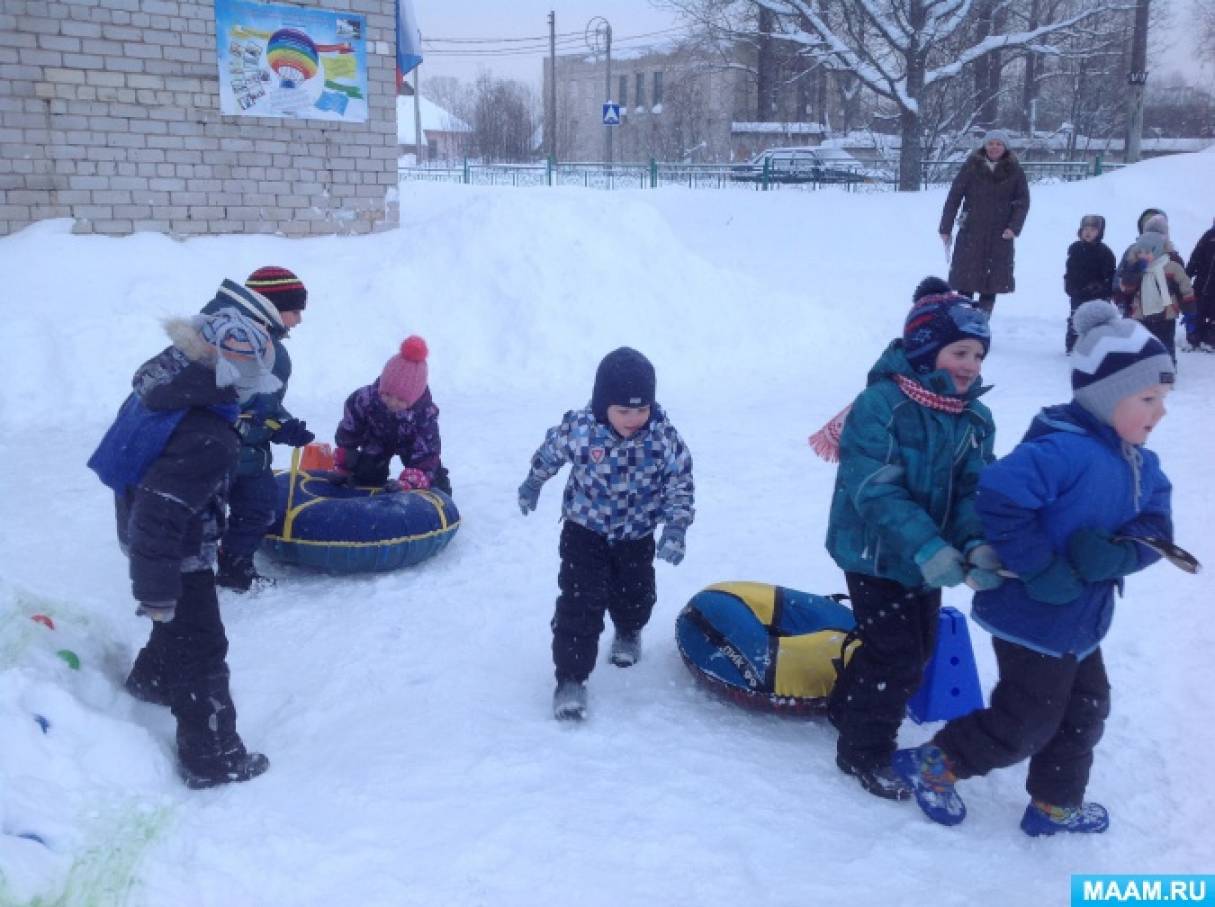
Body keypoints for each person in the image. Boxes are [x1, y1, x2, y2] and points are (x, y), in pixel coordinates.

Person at [893, 300, 1175, 836]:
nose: (1158, 411)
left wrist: (1125, 552)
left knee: (1086, 709)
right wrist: (1038, 564)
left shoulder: (1140, 462)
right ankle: (934, 763)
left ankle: (1054, 802)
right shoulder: (1061, 452)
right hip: (1032, 615)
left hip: (1081, 621)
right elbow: (997, 496)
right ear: (1108, 396)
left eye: (1162, 399)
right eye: (1147, 398)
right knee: (1027, 719)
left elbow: (1158, 526)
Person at [87, 308, 278, 788]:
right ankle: (212, 757)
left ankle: (151, 679)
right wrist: (157, 591)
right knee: (203, 646)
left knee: (177, 625)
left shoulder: (168, 376)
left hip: (143, 530)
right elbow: (162, 513)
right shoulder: (206, 435)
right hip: (175, 547)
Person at [824, 278, 997, 800]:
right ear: (925, 349)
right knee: (895, 655)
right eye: (960, 351)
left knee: (917, 650)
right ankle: (864, 751)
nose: (971, 364)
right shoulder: (881, 405)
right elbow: (875, 489)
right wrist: (927, 546)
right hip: (874, 555)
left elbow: (973, 490)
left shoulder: (974, 418)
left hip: (932, 558)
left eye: (979, 355)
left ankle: (844, 706)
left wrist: (973, 545)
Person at [518, 347, 694, 721]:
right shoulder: (581, 429)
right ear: (603, 405)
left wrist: (676, 526)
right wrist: (534, 482)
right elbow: (550, 451)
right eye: (624, 410)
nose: (635, 418)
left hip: (637, 534)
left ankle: (629, 629)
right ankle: (570, 678)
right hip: (585, 531)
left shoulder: (662, 437)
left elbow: (680, 480)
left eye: (642, 409)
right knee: (580, 603)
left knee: (635, 593)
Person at [201, 267, 314, 592]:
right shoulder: (234, 340)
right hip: (214, 451)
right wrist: (275, 424)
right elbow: (244, 407)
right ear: (272, 307)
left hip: (248, 451)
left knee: (258, 506)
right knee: (205, 519)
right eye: (294, 311)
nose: (298, 320)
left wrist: (284, 424)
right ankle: (189, 582)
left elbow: (263, 403)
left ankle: (236, 566)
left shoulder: (263, 343)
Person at [332, 335, 451, 494]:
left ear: (414, 398)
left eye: (401, 399)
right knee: (365, 472)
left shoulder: (423, 415)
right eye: (387, 395)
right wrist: (346, 458)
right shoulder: (365, 400)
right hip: (378, 440)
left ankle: (437, 492)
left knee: (432, 480)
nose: (392, 403)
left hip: (411, 445)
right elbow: (350, 429)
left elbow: (427, 453)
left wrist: (409, 483)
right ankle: (367, 481)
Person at [938, 129, 1030, 315]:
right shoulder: (971, 167)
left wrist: (1013, 228)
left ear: (1005, 147)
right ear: (985, 146)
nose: (994, 147)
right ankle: (964, 322)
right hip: (971, 232)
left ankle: (981, 323)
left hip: (1000, 235)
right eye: (990, 143)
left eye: (998, 144)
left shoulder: (1015, 171)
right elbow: (954, 197)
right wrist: (945, 227)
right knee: (965, 280)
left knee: (991, 283)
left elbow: (1022, 202)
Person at [1113, 231, 1196, 364]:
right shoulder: (1135, 268)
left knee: (1165, 343)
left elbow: (1185, 286)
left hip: (1166, 314)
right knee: (1143, 342)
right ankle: (1144, 367)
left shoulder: (1171, 267)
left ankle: (1168, 366)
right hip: (1141, 314)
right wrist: (1134, 271)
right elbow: (1126, 288)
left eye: (1148, 252)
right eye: (1140, 252)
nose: (1143, 256)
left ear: (1158, 251)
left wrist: (1189, 308)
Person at [1063, 215, 1116, 354]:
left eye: (1093, 229)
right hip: (1078, 294)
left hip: (1098, 295)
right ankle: (1072, 347)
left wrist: (1103, 288)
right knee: (1076, 319)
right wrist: (1071, 287)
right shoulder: (1075, 249)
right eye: (1085, 228)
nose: (1088, 232)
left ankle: (1098, 348)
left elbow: (1110, 275)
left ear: (1099, 232)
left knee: (1098, 322)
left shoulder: (1105, 252)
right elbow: (1070, 271)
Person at [1185, 217, 1215, 351]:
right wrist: (1187, 275)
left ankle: (1210, 340)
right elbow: (1195, 256)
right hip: (1202, 282)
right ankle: (1194, 338)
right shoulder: (1209, 236)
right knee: (1198, 310)